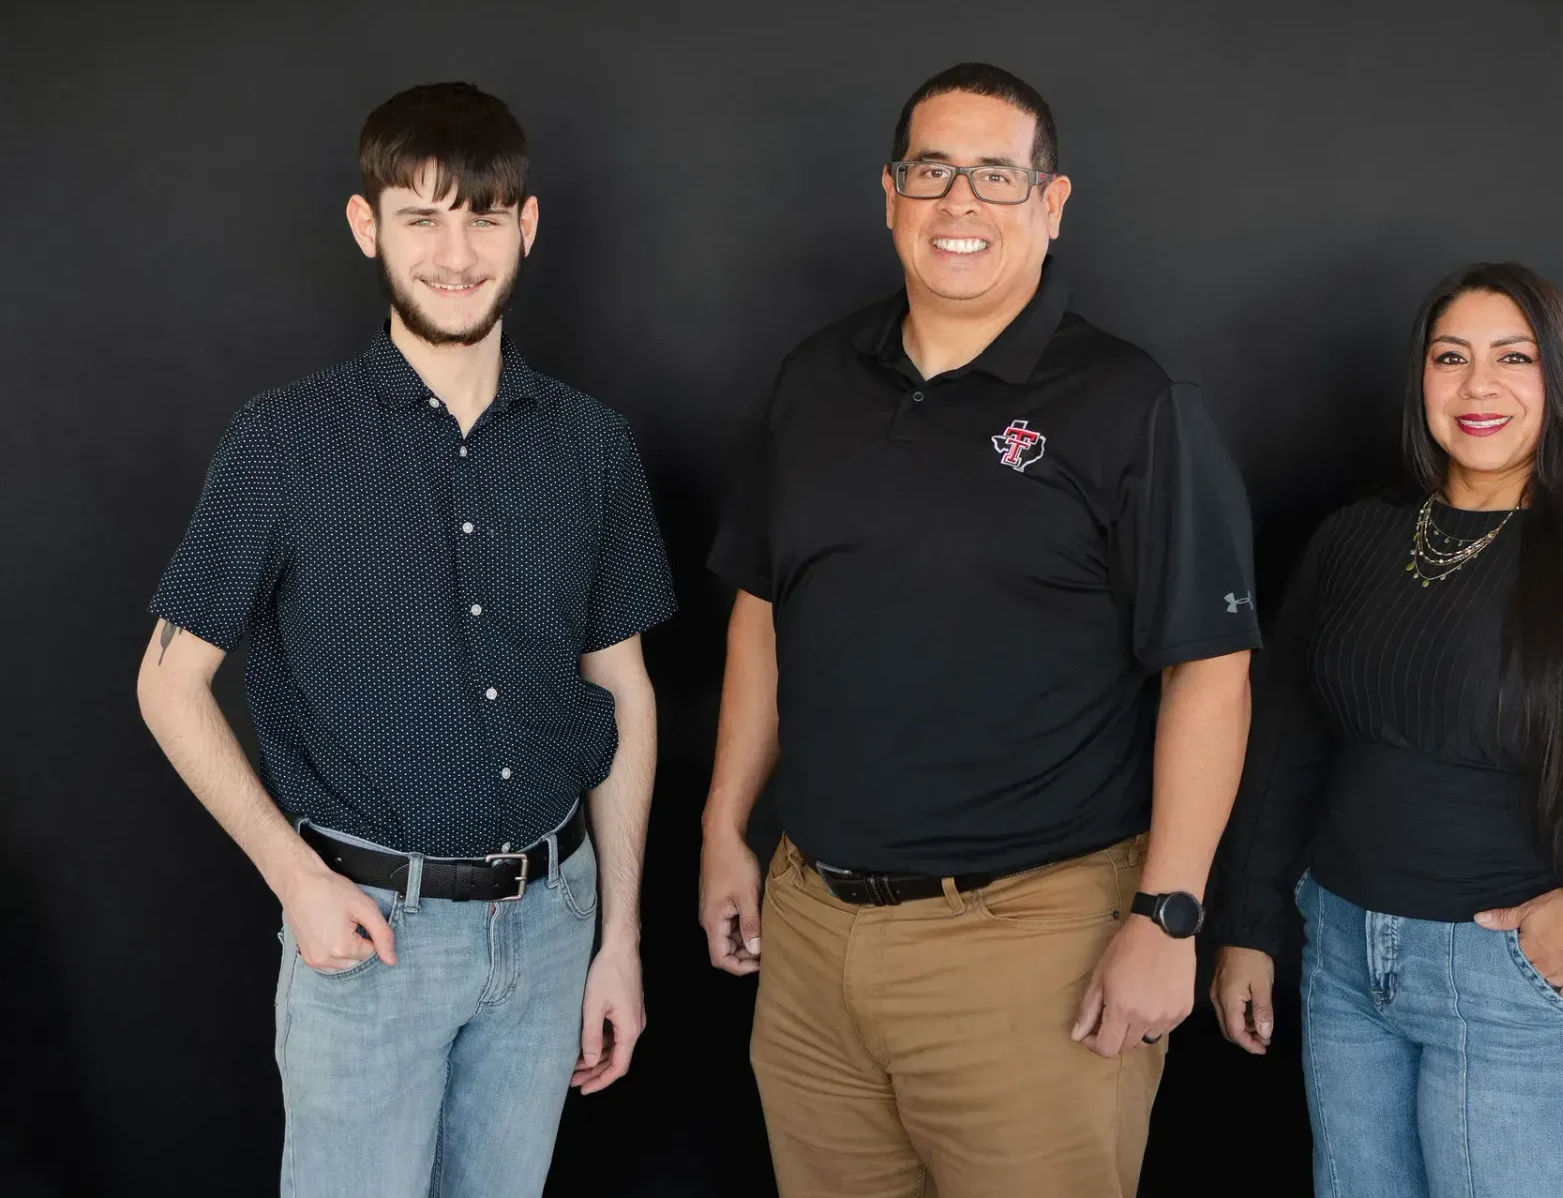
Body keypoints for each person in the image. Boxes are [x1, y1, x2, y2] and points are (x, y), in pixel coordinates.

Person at [698, 63, 1261, 1198]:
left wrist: (1171, 911)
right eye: (932, 171)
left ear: (1051, 205)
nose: (960, 203)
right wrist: (723, 823)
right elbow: (764, 608)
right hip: (809, 935)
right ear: (890, 195)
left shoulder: (1129, 402)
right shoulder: (814, 380)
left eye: (996, 176)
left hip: (1028, 939)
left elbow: (1211, 669)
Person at [134, 83, 676, 1198]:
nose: (455, 252)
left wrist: (616, 937)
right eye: (420, 216)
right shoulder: (284, 440)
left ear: (525, 228)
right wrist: (294, 878)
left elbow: (620, 685)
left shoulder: (593, 446)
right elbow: (168, 683)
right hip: (370, 934)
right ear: (365, 225)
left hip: (549, 931)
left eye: (482, 216)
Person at [1208, 262, 1563, 1197]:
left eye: (1513, 358)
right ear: (1420, 380)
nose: (1479, 386)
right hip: (1346, 969)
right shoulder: (1357, 538)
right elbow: (1287, 742)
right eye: (1451, 357)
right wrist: (1249, 922)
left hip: (1518, 988)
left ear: (1560, 379)